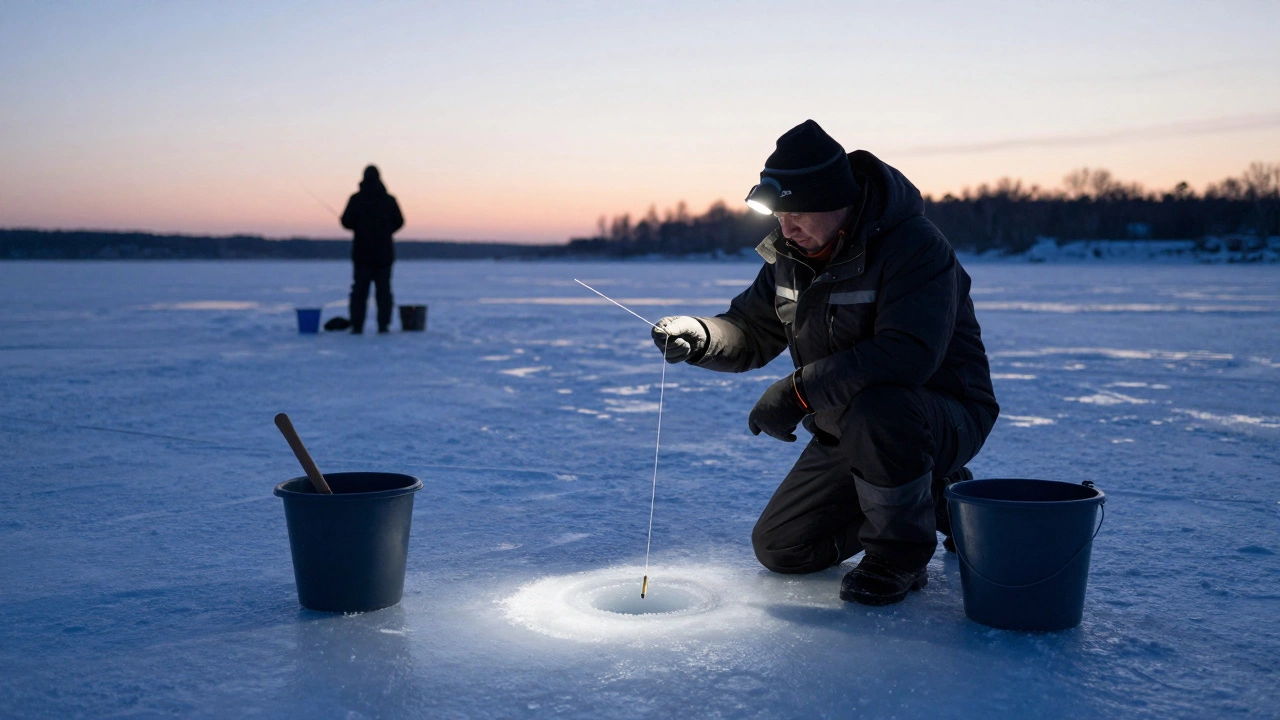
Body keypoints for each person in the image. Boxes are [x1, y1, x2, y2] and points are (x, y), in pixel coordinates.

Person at [651, 120, 999, 606]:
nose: (785, 228)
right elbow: (750, 330)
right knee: (783, 548)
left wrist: (797, 392)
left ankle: (898, 557)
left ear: (840, 201)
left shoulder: (915, 248)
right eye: (778, 216)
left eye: (797, 213)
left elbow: (906, 356)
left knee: (881, 408)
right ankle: (934, 497)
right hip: (850, 424)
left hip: (938, 414)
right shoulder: (791, 255)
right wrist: (704, 336)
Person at [341, 165, 404, 334]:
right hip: (384, 255)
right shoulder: (389, 200)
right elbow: (399, 222)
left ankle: (357, 326)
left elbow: (346, 222)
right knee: (383, 292)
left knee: (359, 292)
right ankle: (383, 325)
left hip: (362, 255)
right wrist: (385, 231)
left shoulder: (356, 199)